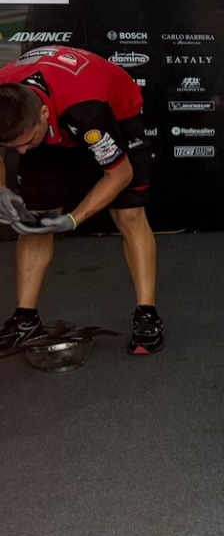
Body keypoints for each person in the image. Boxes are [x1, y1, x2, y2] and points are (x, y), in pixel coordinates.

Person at [0, 45, 164, 356]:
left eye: (25, 143)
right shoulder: (5, 98)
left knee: (128, 215)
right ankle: (25, 320)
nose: (20, 153)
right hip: (52, 120)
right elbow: (12, 146)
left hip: (114, 113)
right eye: (13, 147)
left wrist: (75, 218)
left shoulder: (87, 110)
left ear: (44, 116)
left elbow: (120, 175)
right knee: (37, 218)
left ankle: (147, 316)